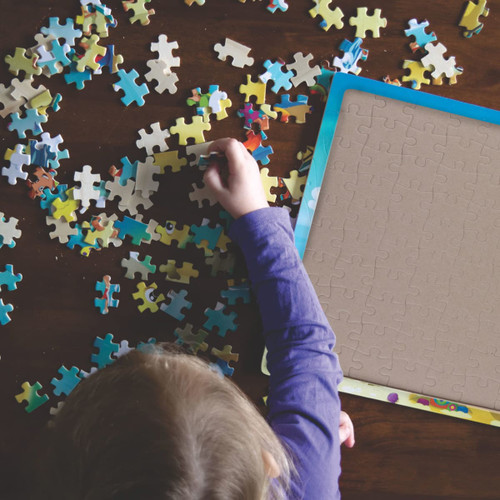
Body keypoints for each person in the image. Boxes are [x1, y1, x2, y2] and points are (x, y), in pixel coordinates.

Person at [35, 138, 354, 499]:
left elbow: (307, 353)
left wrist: (317, 444)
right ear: (271, 464)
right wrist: (255, 217)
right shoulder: (305, 481)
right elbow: (305, 347)